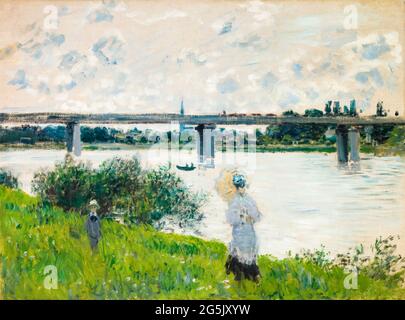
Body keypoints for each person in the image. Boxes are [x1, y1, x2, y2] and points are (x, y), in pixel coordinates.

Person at [216, 169, 262, 281]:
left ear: (245, 186)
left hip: (249, 232)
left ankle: (251, 275)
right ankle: (239, 274)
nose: (242, 188)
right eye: (239, 186)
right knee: (238, 251)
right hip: (239, 232)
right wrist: (241, 217)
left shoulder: (250, 200)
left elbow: (257, 216)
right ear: (236, 187)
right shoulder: (234, 201)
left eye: (243, 186)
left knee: (249, 252)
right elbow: (231, 219)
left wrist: (250, 217)